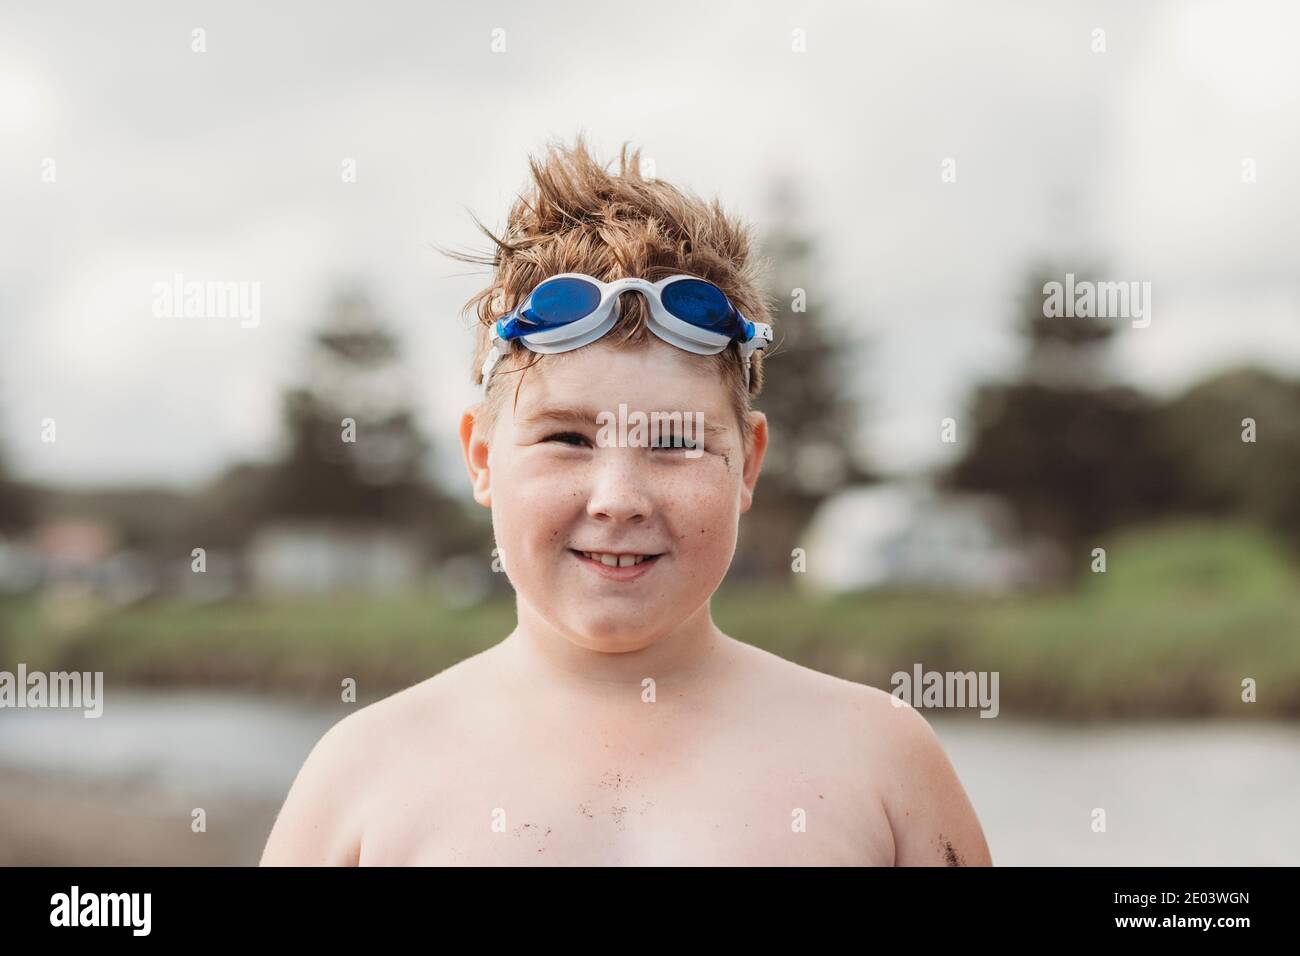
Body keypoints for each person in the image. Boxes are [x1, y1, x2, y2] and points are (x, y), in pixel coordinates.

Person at [261, 136, 992, 866]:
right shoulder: (360, 780)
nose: (618, 499)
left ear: (748, 463)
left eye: (674, 442)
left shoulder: (882, 763)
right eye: (569, 440)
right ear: (483, 459)